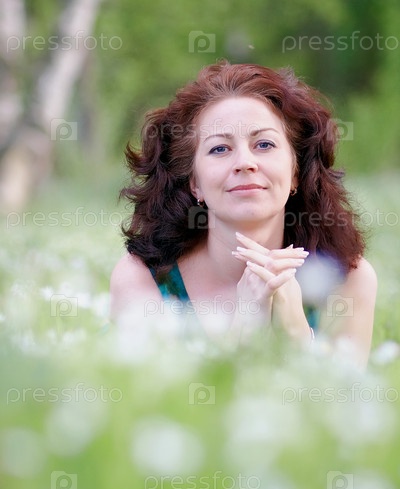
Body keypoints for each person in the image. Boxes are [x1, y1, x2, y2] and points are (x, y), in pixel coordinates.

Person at [110, 60, 377, 367]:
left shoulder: (349, 280)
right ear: (195, 182)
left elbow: (341, 397)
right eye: (220, 149)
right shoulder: (143, 278)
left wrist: (297, 332)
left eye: (264, 144)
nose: (245, 163)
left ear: (295, 172)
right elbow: (150, 397)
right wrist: (246, 322)